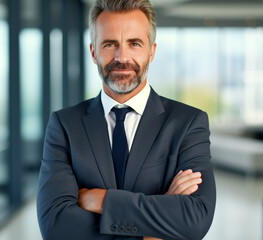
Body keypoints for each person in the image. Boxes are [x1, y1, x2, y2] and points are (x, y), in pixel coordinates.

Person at [36, 0, 216, 239]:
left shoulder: (189, 123)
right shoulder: (64, 125)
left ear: (151, 51)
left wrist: (100, 199)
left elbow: (195, 218)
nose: (122, 57)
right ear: (93, 52)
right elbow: (55, 225)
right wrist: (156, 226)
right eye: (110, 44)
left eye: (134, 44)